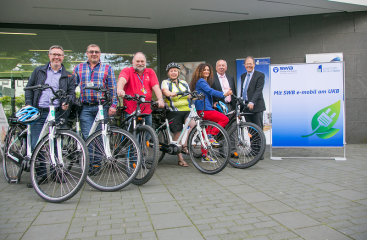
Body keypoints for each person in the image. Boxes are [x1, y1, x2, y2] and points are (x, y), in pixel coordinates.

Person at [24, 45, 75, 188]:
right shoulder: (38, 71)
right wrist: (28, 104)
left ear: (63, 57)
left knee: (56, 143)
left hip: (57, 113)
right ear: (49, 56)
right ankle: (41, 175)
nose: (56, 57)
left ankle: (56, 173)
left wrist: (67, 102)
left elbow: (71, 94)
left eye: (59, 55)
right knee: (37, 144)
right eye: (54, 54)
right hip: (39, 112)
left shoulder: (69, 75)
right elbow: (29, 88)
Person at [73, 44, 118, 174]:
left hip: (102, 107)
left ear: (100, 54)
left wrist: (113, 105)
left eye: (96, 52)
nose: (94, 54)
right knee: (87, 137)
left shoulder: (107, 68)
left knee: (98, 137)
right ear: (86, 53)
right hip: (85, 107)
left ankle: (97, 166)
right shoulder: (79, 68)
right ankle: (89, 164)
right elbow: (72, 86)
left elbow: (112, 88)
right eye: (91, 52)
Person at [189, 63, 232, 162]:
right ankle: (211, 135)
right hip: (205, 109)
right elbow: (210, 91)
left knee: (205, 130)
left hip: (203, 109)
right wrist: (224, 94)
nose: (207, 71)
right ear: (200, 71)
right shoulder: (201, 81)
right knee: (225, 119)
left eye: (208, 70)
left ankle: (205, 156)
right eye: (204, 70)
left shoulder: (201, 81)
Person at [161, 62, 196, 167]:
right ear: (168, 73)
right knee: (178, 134)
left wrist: (195, 95)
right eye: (171, 71)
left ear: (178, 72)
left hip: (186, 110)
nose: (173, 73)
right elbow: (166, 92)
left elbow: (189, 95)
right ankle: (180, 159)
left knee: (193, 125)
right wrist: (174, 93)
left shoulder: (184, 83)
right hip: (173, 111)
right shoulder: (165, 82)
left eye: (175, 71)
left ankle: (184, 144)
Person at [117, 52, 165, 126]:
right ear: (133, 62)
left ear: (145, 62)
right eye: (137, 61)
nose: (140, 63)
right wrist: (120, 89)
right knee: (133, 136)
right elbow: (122, 79)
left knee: (148, 136)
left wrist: (160, 99)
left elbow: (156, 87)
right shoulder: (127, 71)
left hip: (147, 111)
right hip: (131, 111)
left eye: (142, 61)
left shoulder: (150, 72)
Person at [240, 56, 266, 160]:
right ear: (245, 65)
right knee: (250, 130)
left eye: (251, 64)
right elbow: (244, 91)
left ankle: (260, 152)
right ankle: (253, 150)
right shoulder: (243, 76)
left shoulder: (260, 75)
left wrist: (252, 101)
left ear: (254, 64)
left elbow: (258, 90)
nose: (249, 65)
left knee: (258, 128)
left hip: (256, 106)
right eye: (247, 64)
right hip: (246, 107)